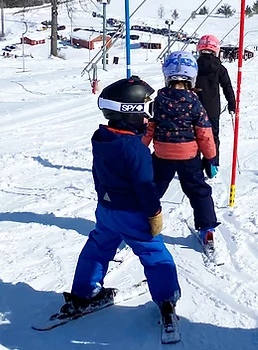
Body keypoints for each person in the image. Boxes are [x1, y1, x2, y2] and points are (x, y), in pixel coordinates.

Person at [62, 76, 181, 330]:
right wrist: (154, 213)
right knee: (154, 253)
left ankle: (84, 292)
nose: (148, 117)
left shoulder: (102, 138)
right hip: (133, 213)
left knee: (98, 247)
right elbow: (145, 187)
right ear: (130, 112)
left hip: (107, 209)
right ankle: (167, 301)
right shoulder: (135, 150)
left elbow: (104, 168)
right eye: (145, 111)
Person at [144, 51, 219, 247]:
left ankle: (142, 220)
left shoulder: (158, 100)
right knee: (198, 191)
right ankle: (207, 229)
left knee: (152, 188)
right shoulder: (195, 102)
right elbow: (204, 133)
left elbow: (150, 127)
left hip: (162, 155)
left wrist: (140, 148)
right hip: (189, 156)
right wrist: (211, 158)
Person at [194, 34, 236, 167]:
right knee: (213, 137)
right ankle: (212, 164)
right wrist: (232, 104)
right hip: (212, 109)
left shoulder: (193, 66)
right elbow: (227, 87)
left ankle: (194, 165)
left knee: (194, 137)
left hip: (194, 108)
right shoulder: (220, 68)